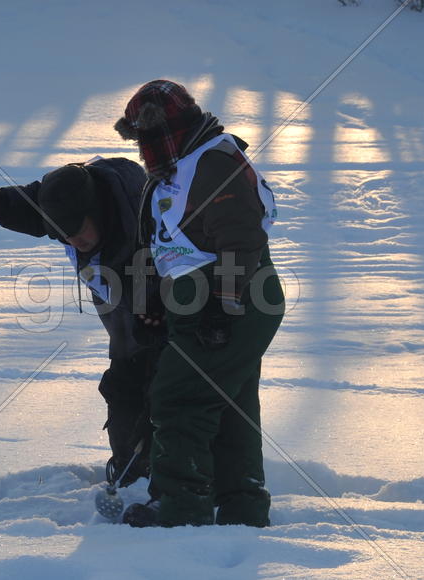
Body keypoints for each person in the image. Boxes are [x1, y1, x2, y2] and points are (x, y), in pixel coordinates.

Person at [113, 80, 285, 527]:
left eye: (143, 139)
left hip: (234, 301)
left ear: (162, 130)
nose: (140, 149)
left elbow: (242, 238)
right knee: (229, 405)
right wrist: (156, 293)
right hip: (204, 302)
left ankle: (180, 508)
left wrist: (220, 307)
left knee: (178, 397)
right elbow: (168, 240)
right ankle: (241, 508)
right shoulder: (182, 163)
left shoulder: (214, 163)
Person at [0, 157, 165, 486]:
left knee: (165, 399)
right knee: (122, 389)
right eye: (63, 235)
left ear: (97, 213)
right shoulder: (72, 197)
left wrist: (153, 313)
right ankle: (129, 475)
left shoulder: (144, 221)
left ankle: (169, 483)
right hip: (125, 323)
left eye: (78, 232)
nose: (72, 242)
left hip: (171, 320)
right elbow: (33, 206)